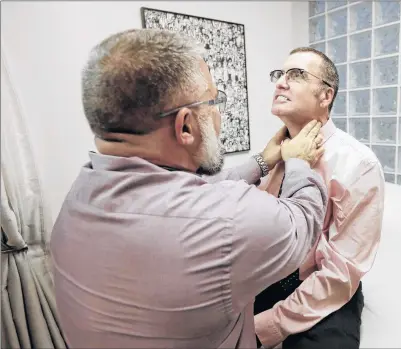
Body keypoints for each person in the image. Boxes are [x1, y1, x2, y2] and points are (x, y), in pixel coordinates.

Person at [50, 29, 328, 348]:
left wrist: (262, 163)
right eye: (213, 101)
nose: (218, 113)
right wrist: (299, 160)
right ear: (185, 126)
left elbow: (192, 198)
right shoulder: (229, 221)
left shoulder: (77, 199)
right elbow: (302, 222)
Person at [254, 47, 385, 349]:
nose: (280, 83)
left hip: (325, 288)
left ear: (326, 96)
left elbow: (341, 273)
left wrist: (269, 326)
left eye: (296, 75)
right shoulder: (271, 154)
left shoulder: (359, 164)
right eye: (280, 74)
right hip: (264, 277)